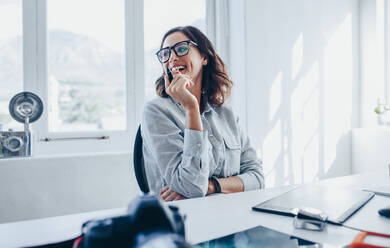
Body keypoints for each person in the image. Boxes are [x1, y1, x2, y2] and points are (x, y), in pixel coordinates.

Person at [141, 26, 264, 202]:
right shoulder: (155, 111)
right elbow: (192, 187)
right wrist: (191, 108)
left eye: (182, 48)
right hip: (180, 219)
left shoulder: (227, 113)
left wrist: (211, 186)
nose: (173, 58)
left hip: (229, 213)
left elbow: (257, 178)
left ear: (204, 57)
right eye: (165, 54)